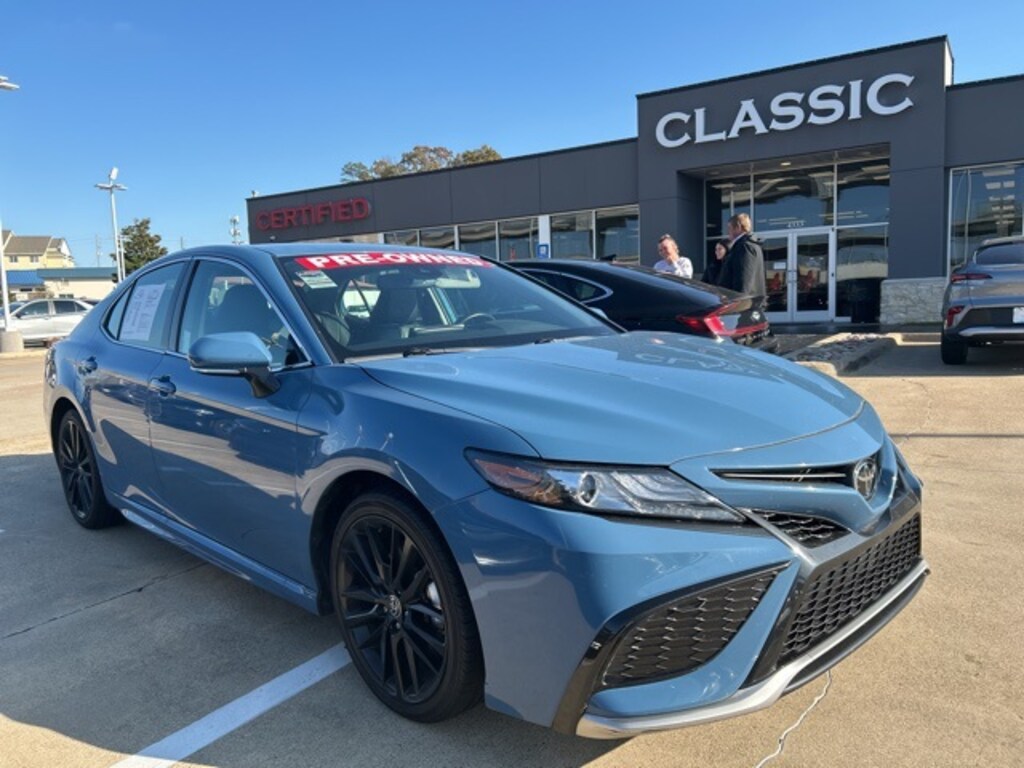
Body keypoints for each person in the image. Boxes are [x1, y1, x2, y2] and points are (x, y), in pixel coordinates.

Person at [716, 213, 767, 296]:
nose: (727, 232)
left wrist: (739, 303)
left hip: (743, 304)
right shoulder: (751, 245)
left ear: (738, 227)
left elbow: (743, 279)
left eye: (729, 228)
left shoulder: (744, 247)